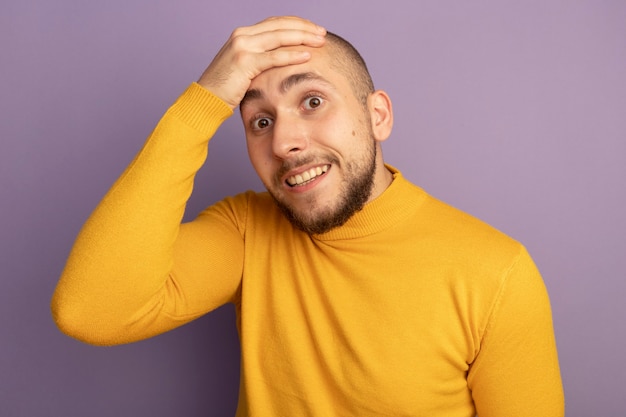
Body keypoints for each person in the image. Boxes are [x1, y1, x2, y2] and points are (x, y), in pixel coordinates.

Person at [51, 16, 564, 416]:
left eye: (313, 100)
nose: (283, 141)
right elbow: (90, 310)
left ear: (377, 115)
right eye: (259, 121)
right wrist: (203, 103)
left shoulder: (497, 272)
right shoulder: (246, 230)